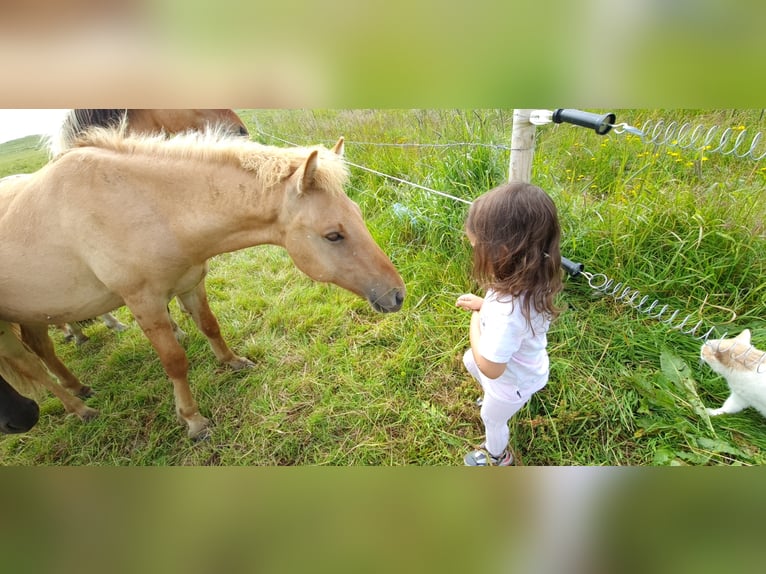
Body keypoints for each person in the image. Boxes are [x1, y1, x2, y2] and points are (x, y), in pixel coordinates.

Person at [456, 181, 563, 466]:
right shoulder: (528, 279)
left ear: (503, 252)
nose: (475, 254)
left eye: (477, 248)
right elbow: (511, 321)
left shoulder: (508, 307)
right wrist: (483, 304)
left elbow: (491, 368)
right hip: (527, 367)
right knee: (470, 360)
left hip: (510, 381)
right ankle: (499, 405)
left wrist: (475, 323)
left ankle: (497, 455)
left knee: (490, 418)